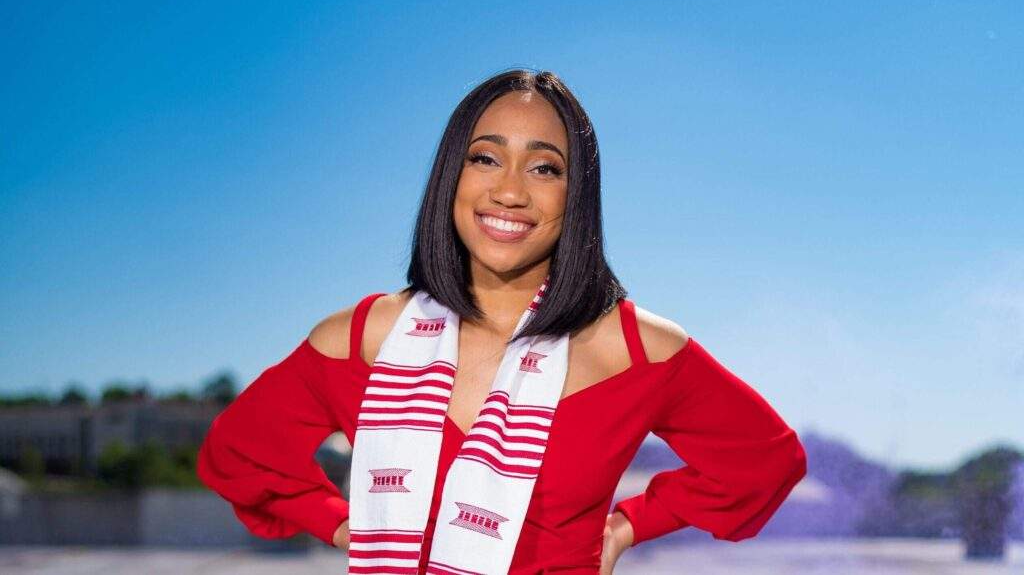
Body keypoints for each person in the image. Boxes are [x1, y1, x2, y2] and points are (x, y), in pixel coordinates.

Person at [196, 68, 807, 574]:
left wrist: (626, 527)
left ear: (577, 196)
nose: (510, 192)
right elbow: (240, 456)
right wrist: (342, 527)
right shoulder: (359, 340)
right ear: (450, 177)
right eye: (485, 158)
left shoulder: (635, 348)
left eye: (545, 168)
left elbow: (763, 461)